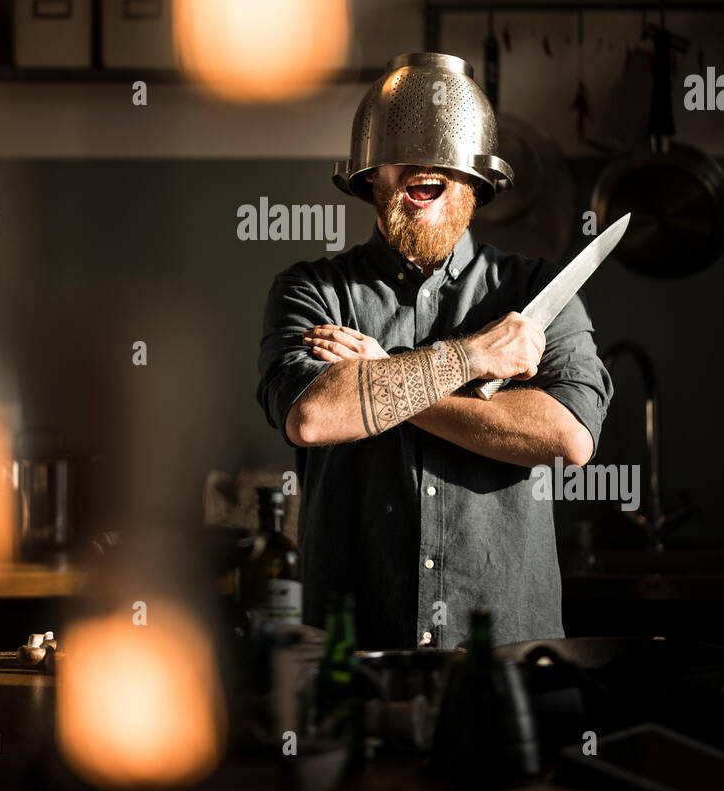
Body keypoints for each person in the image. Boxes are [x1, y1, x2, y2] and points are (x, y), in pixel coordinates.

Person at [256, 53, 612, 649]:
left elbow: (566, 437)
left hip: (509, 652)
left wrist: (383, 380)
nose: (424, 166)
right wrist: (470, 359)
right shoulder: (311, 291)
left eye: (444, 157)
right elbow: (314, 417)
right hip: (356, 650)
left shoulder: (537, 294)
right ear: (370, 175)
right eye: (404, 153)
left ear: (476, 180)